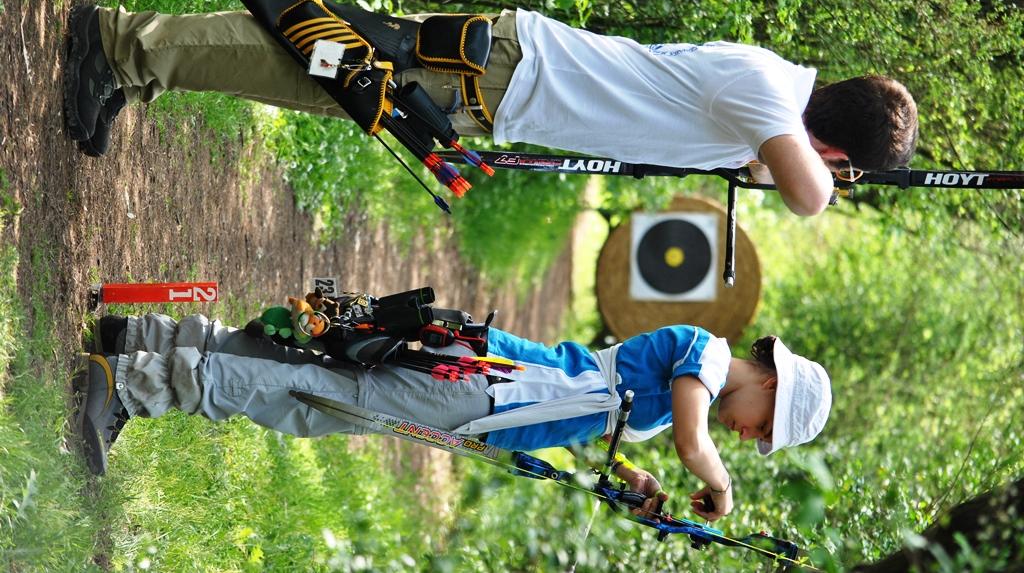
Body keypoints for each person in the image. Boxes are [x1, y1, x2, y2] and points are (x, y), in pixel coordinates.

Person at [63, 2, 918, 216]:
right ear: (835, 151)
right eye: (843, 168)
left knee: (310, 80)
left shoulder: (768, 107)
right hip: (495, 71)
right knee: (304, 63)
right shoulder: (770, 92)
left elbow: (773, 167)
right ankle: (117, 41)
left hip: (496, 91)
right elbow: (807, 195)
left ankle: (138, 71)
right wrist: (825, 179)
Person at [74, 309, 831, 522]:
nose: (748, 436)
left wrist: (628, 473)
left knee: (321, 381)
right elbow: (698, 441)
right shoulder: (704, 356)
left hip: (493, 401)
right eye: (763, 426)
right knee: (317, 397)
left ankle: (145, 338)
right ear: (769, 380)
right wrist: (722, 488)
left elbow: (579, 418)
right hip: (490, 386)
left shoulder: (681, 397)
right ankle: (129, 385)